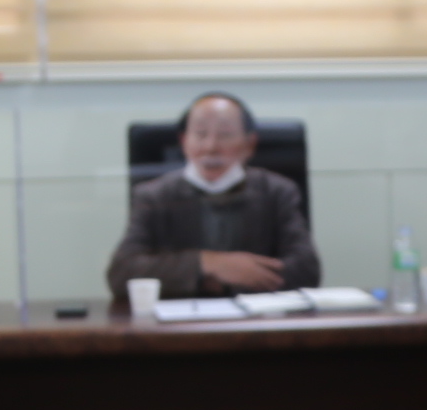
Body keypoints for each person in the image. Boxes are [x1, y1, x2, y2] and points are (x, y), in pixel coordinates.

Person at [105, 93, 318, 301]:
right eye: (200, 134)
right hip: (180, 320)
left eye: (225, 135)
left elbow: (307, 270)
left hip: (258, 319)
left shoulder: (277, 192)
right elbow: (122, 273)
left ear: (249, 144)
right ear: (184, 141)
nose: (211, 147)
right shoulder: (154, 196)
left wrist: (228, 281)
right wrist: (207, 264)